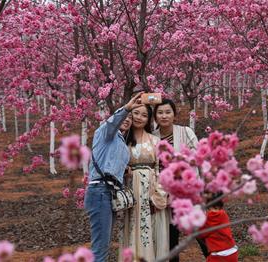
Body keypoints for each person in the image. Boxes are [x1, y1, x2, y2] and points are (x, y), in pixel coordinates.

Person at [84, 92, 143, 262]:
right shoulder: (105, 131)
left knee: (104, 244)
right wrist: (126, 108)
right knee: (100, 249)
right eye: (126, 116)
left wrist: (124, 171)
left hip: (108, 192)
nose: (127, 119)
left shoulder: (120, 143)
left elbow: (109, 163)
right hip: (100, 191)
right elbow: (113, 122)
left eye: (130, 118)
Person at [120, 104, 169, 261]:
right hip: (130, 191)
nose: (139, 117)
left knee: (150, 229)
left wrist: (159, 195)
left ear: (148, 119)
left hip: (150, 190)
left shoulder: (155, 140)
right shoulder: (121, 140)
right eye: (136, 113)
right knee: (131, 227)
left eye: (144, 115)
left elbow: (161, 168)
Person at [152, 98, 199, 261]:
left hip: (185, 190)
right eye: (160, 112)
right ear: (155, 116)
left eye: (167, 112)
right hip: (164, 192)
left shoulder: (185, 132)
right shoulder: (153, 137)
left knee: (198, 229)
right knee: (171, 236)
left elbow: (197, 156)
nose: (164, 116)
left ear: (174, 114)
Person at [198, 197, 238, 262]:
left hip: (218, 255)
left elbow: (200, 234)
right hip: (232, 252)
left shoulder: (210, 217)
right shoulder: (224, 214)